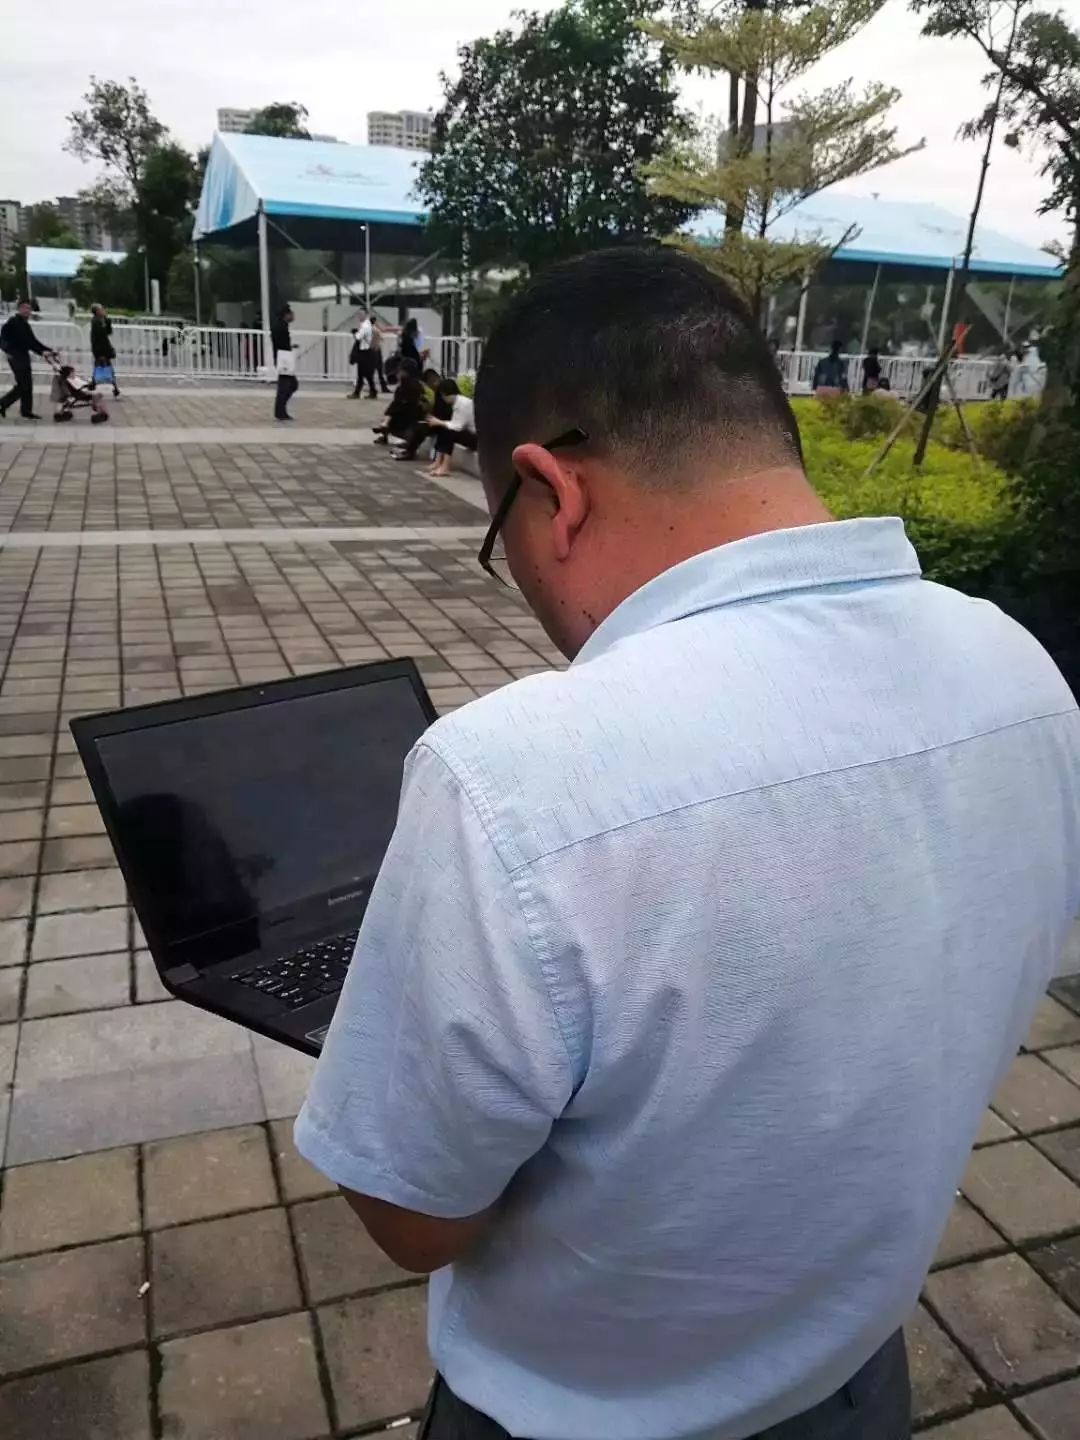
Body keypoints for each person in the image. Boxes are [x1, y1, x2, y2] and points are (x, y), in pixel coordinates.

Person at [295, 246, 1080, 1440]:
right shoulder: (1021, 675)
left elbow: (415, 1220)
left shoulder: (513, 780)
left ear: (550, 491)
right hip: (854, 1378)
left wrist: (400, 1023)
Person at [0, 299, 55, 421]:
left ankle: (26, 411)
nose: (26, 310)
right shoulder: (13, 323)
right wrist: (7, 351)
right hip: (15, 356)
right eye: (24, 307)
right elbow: (5, 339)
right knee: (23, 384)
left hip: (23, 355)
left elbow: (33, 341)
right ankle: (3, 402)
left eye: (28, 308)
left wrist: (48, 350)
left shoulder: (24, 324)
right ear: (19, 309)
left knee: (28, 384)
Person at [424, 377, 476, 476]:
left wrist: (439, 422)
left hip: (476, 437)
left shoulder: (464, 404)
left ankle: (445, 466)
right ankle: (438, 461)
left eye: (444, 396)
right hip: (467, 432)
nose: (444, 399)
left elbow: (457, 426)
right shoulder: (456, 403)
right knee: (444, 428)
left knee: (449, 431)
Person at [371, 359, 426, 445]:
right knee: (392, 409)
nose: (398, 374)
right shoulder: (412, 383)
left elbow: (406, 403)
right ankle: (385, 426)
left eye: (400, 371)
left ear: (406, 372)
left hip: (409, 417)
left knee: (392, 411)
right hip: (409, 414)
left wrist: (390, 414)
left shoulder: (411, 386)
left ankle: (385, 426)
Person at [271, 305, 298, 422]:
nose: (293, 317)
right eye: (291, 314)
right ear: (286, 315)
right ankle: (280, 411)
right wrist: (288, 349)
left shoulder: (280, 325)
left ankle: (281, 410)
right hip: (284, 360)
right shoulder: (281, 326)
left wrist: (290, 347)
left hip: (282, 358)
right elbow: (281, 343)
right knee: (288, 385)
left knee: (288, 385)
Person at [89, 303, 120, 397]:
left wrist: (107, 321)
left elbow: (108, 332)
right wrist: (109, 350)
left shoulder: (100, 320)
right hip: (101, 349)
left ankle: (94, 384)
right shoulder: (96, 322)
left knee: (101, 366)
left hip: (100, 349)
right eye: (101, 309)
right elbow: (102, 337)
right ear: (97, 311)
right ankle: (114, 387)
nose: (103, 311)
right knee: (107, 367)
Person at [348, 304, 378, 400]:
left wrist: (354, 332)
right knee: (365, 374)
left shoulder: (365, 326)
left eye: (361, 314)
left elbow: (357, 337)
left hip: (365, 352)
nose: (359, 316)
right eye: (358, 314)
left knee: (363, 373)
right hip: (367, 352)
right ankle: (370, 392)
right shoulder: (367, 325)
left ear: (366, 314)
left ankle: (361, 392)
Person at [370, 313, 391, 394]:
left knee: (373, 370)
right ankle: (382, 387)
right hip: (376, 350)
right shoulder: (375, 330)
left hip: (372, 350)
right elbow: (381, 337)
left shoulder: (370, 329)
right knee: (379, 370)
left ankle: (374, 387)